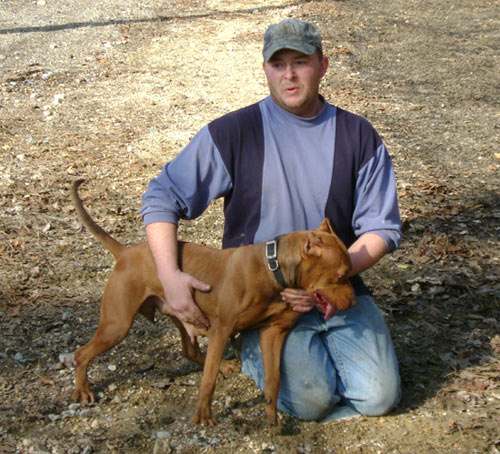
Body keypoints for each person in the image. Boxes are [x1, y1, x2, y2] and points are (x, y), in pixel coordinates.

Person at [141, 18, 402, 421]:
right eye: (278, 64)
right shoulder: (234, 132)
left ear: (323, 65)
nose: (290, 74)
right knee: (311, 402)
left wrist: (330, 279)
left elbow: (381, 228)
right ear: (265, 69)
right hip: (262, 299)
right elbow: (162, 197)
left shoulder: (358, 135)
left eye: (300, 62)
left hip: (336, 286)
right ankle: (252, 350)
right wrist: (170, 278)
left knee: (379, 399)